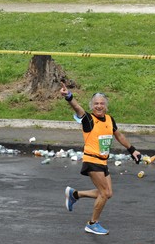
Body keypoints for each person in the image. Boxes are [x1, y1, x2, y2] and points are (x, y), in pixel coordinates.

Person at [60, 83, 141, 235]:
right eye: (96, 104)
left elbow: (119, 136)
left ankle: (75, 194)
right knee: (103, 193)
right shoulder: (88, 120)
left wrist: (132, 150)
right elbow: (78, 108)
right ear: (92, 106)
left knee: (108, 193)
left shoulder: (110, 120)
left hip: (102, 162)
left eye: (101, 103)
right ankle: (92, 223)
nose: (99, 106)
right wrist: (68, 96)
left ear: (106, 106)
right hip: (91, 161)